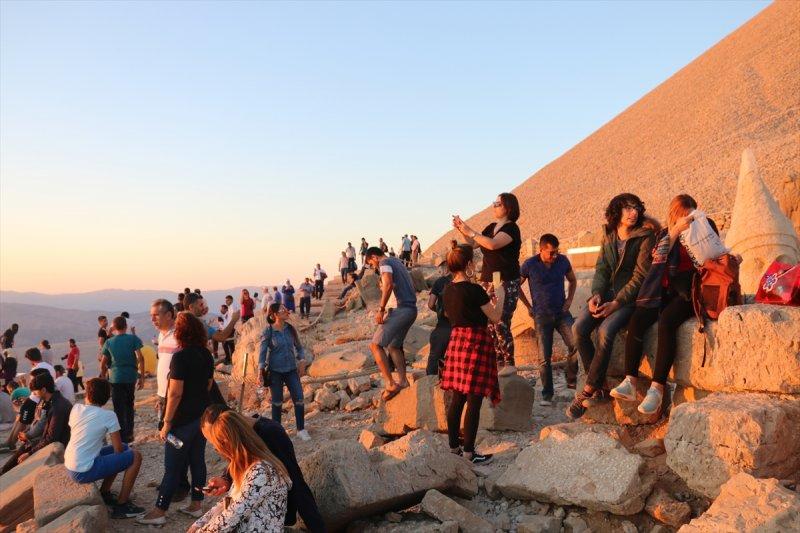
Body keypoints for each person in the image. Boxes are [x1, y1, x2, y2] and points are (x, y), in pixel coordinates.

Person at [611, 195, 717, 416]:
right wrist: (676, 230)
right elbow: (658, 258)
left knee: (667, 321)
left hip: (691, 290)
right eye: (682, 214)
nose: (687, 218)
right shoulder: (665, 234)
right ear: (673, 214)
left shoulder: (706, 225)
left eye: (690, 213)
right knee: (638, 318)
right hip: (665, 289)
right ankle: (630, 380)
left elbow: (713, 254)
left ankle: (657, 389)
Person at [567, 193, 658, 419]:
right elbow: (602, 269)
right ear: (616, 212)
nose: (633, 212)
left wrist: (617, 303)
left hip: (629, 299)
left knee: (606, 331)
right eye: (627, 208)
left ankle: (588, 390)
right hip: (606, 294)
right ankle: (599, 386)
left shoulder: (645, 237)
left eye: (636, 208)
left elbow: (640, 277)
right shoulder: (608, 234)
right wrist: (596, 295)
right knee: (578, 329)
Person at [137, 312, 215, 526]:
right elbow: (208, 385)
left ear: (180, 332)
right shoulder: (206, 355)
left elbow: (175, 394)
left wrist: (167, 422)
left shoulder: (180, 357)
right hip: (201, 418)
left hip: (181, 422)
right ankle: (197, 505)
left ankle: (160, 510)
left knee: (172, 467)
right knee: (198, 461)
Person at [201, 405, 325, 532]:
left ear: (229, 431)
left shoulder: (270, 434)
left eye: (218, 442)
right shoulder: (244, 440)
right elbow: (238, 461)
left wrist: (318, 528)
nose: (218, 449)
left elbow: (297, 482)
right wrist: (226, 479)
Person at [439, 244, 505, 465]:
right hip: (475, 342)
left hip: (456, 341)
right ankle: (469, 453)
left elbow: (450, 315)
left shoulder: (446, 289)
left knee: (457, 398)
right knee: (474, 400)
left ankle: (453, 448)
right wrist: (500, 294)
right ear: (468, 264)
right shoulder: (474, 289)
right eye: (473, 261)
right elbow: (495, 317)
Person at [189, 409, 292, 533]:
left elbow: (233, 515)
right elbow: (229, 502)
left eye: (216, 445)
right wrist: (199, 524)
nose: (217, 449)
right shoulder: (246, 467)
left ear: (228, 443)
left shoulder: (261, 472)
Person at [453, 192, 522, 375]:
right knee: (489, 322)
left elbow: (492, 244)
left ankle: (509, 362)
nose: (494, 205)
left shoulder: (511, 228)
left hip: (506, 279)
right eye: (494, 202)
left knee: (501, 320)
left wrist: (471, 232)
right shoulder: (491, 226)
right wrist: (462, 229)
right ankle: (498, 361)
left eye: (498, 203)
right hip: (489, 278)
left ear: (508, 207)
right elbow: (475, 243)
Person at [65, 378, 145, 518]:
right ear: (107, 397)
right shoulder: (108, 415)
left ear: (87, 395)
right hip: (83, 471)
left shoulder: (76, 408)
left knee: (124, 448)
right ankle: (122, 506)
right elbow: (118, 450)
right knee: (135, 456)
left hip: (71, 465)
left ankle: (105, 492)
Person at [518, 234, 579, 405]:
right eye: (551, 253)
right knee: (544, 357)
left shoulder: (563, 261)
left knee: (576, 343)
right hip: (541, 315)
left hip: (562, 313)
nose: (554, 256)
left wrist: (569, 301)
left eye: (556, 252)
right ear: (541, 250)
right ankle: (547, 394)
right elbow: (517, 285)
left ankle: (571, 380)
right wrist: (528, 306)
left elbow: (573, 281)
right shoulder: (530, 265)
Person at [364, 246, 418, 400]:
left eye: (371, 263)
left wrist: (381, 309)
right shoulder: (397, 261)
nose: (374, 267)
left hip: (399, 309)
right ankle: (403, 381)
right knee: (393, 346)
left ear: (374, 257)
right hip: (411, 309)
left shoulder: (384, 262)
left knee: (375, 345)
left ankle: (390, 383)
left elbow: (388, 284)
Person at [1, 371, 72, 474]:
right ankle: (4, 471)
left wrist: (30, 453)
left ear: (43, 390)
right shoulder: (51, 401)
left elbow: (51, 438)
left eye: (35, 392)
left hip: (56, 448)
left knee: (21, 457)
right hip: (44, 441)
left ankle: (4, 472)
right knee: (16, 457)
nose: (34, 395)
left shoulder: (57, 407)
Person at [259, 304, 309, 441]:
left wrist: (302, 360)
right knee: (277, 402)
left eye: (285, 309)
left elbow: (299, 347)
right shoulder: (268, 331)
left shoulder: (290, 329)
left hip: (292, 370)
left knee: (299, 398)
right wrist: (260, 370)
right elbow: (262, 353)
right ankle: (278, 432)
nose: (286, 311)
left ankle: (301, 429)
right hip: (275, 372)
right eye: (282, 310)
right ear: (274, 314)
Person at [100, 316, 145, 443]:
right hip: (130, 377)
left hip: (115, 378)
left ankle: (121, 438)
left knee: (118, 408)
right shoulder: (133, 339)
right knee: (129, 405)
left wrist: (104, 379)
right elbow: (140, 358)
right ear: (126, 326)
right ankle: (129, 435)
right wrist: (141, 377)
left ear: (113, 328)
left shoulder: (109, 342)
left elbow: (103, 364)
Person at [426, 260, 453, 376]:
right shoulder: (465, 281)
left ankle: (431, 384)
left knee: (435, 359)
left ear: (445, 269)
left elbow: (431, 304)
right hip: (460, 327)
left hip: (443, 327)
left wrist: (439, 311)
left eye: (440, 269)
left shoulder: (440, 282)